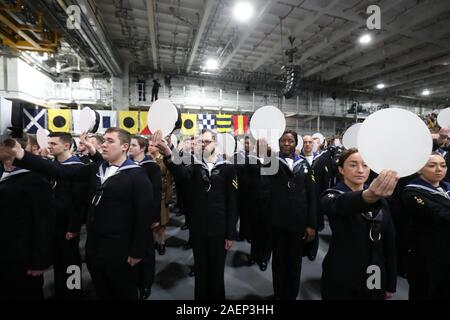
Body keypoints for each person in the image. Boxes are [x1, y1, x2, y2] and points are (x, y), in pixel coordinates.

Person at [1, 127, 154, 300]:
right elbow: (60, 171)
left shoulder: (137, 175)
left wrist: (138, 251)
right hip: (95, 248)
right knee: (102, 292)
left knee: (123, 293)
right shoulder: (97, 169)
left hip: (121, 251)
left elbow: (144, 215)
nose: (104, 145)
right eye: (104, 140)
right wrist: (22, 154)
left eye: (110, 141)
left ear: (125, 146)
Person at [156, 129, 238, 300]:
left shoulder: (228, 168)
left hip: (220, 229)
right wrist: (169, 151)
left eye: (207, 141)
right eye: (201, 142)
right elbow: (180, 173)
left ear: (215, 143)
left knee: (217, 271)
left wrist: (230, 233)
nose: (203, 145)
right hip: (198, 228)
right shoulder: (194, 165)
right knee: (201, 270)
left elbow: (233, 203)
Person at [320, 148, 398, 300]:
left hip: (374, 272)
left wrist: (390, 283)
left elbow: (389, 244)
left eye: (365, 165)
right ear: (341, 169)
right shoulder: (332, 194)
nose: (360, 170)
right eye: (353, 165)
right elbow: (339, 204)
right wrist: (367, 196)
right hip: (342, 272)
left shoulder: (381, 201)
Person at [259, 130, 317, 300]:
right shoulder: (270, 163)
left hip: (298, 224)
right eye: (283, 140)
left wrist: (311, 224)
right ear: (279, 143)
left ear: (295, 144)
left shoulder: (305, 165)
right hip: (277, 223)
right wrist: (267, 222)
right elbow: (263, 195)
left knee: (295, 262)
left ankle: (291, 295)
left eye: (290, 141)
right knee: (278, 262)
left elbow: (311, 196)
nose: (286, 143)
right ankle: (279, 294)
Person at [0, 137, 54, 299]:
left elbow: (44, 221)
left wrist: (39, 261)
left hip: (22, 253)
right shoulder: (3, 173)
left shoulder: (35, 179)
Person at [402, 153, 450, 299]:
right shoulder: (411, 191)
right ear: (419, 169)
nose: (439, 169)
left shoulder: (446, 188)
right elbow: (438, 214)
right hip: (426, 256)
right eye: (432, 165)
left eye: (443, 165)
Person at [46, 132, 87, 299]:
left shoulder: (77, 168)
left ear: (66, 146)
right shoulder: (52, 166)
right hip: (53, 223)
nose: (49, 146)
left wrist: (74, 227)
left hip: (68, 225)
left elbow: (79, 202)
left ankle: (74, 292)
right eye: (49, 143)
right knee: (57, 260)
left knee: (71, 262)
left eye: (53, 144)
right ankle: (61, 292)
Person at [129, 135, 162, 300]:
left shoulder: (151, 167)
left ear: (142, 148)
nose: (130, 148)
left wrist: (155, 216)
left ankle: (146, 283)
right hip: (129, 215)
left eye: (134, 145)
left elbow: (156, 193)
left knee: (147, 250)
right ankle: (134, 279)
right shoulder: (125, 164)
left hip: (146, 215)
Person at [148, 133, 173, 255]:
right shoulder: (145, 159)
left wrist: (168, 195)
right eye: (149, 145)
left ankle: (161, 242)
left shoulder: (163, 160)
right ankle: (152, 241)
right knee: (150, 221)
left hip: (161, 195)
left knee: (162, 223)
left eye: (153, 145)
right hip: (148, 195)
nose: (150, 147)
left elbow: (168, 178)